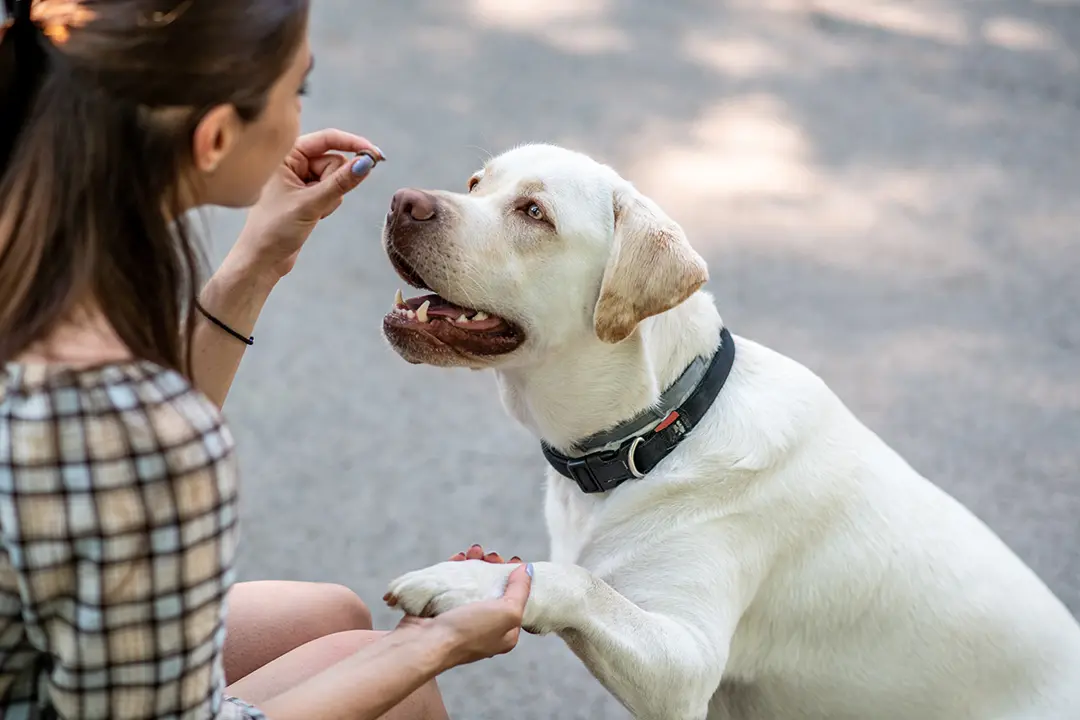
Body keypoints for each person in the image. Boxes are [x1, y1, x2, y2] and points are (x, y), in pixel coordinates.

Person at [0, 1, 533, 719]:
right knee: (392, 685)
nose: (296, 116)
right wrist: (428, 648)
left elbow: (102, 475)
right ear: (215, 136)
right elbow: (130, 457)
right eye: (296, 91)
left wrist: (254, 265)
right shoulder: (134, 427)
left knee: (333, 617)